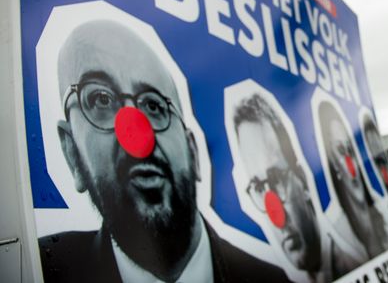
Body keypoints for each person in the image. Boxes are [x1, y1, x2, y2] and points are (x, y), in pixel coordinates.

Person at [39, 20, 289, 283]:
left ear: (193, 153)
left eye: (154, 106)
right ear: (72, 154)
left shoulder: (272, 280)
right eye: (101, 99)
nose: (136, 135)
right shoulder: (39, 269)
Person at [233, 93, 365, 282]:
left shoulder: (352, 268)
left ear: (302, 180)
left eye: (277, 179)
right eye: (259, 187)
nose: (277, 217)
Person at [319, 101, 387, 258]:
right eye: (341, 150)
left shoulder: (381, 210)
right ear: (333, 162)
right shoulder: (336, 232)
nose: (351, 164)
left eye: (350, 149)